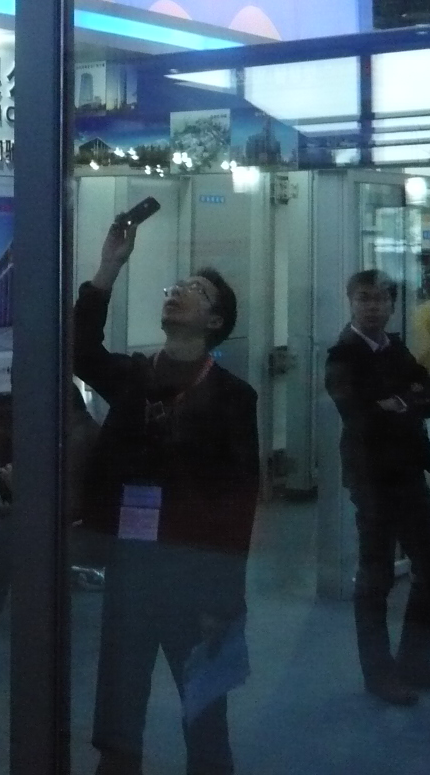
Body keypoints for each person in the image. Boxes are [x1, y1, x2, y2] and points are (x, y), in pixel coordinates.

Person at [75, 218, 260, 775]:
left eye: (195, 290)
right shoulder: (135, 377)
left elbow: (238, 504)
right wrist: (108, 268)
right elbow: (78, 350)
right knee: (119, 699)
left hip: (194, 572)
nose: (178, 291)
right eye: (177, 285)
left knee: (203, 706)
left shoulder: (232, 397)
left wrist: (224, 600)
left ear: (215, 321)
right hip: (132, 563)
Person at [324, 269, 430, 706]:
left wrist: (400, 402)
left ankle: (415, 662)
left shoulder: (395, 349)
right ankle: (379, 673)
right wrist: (407, 400)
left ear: (392, 305)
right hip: (371, 479)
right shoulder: (343, 356)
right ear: (350, 302)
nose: (373, 306)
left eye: (381, 299)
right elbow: (362, 415)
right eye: (364, 298)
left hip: (408, 473)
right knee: (376, 577)